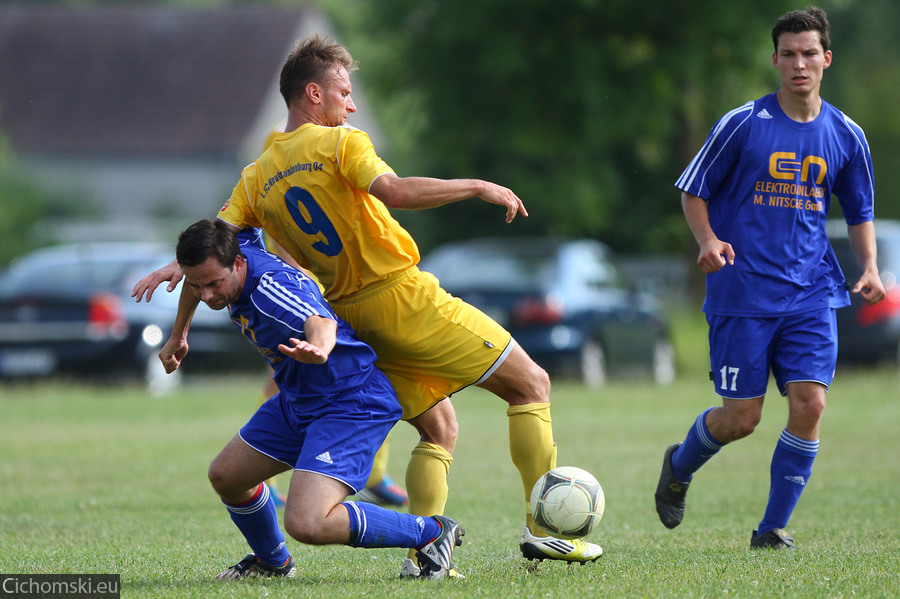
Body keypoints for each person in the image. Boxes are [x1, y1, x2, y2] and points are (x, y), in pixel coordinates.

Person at [132, 34, 602, 573]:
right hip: (401, 299)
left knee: (438, 428)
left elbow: (217, 242)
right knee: (532, 384)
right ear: (314, 94)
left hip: (349, 320)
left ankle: (422, 558)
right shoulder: (339, 143)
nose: (350, 105)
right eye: (343, 92)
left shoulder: (255, 176)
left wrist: (177, 295)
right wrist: (475, 186)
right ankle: (548, 533)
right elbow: (394, 191)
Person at [656, 6, 884, 549]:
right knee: (741, 419)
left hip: (811, 292)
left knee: (811, 404)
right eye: (789, 54)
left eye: (810, 53)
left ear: (827, 59)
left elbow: (859, 213)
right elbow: (693, 189)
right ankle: (679, 465)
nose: (799, 64)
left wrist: (872, 266)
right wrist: (709, 242)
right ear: (775, 60)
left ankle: (770, 530)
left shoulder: (847, 135)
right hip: (742, 293)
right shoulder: (742, 124)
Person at [172, 219, 463, 580]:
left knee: (307, 522)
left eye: (214, 284)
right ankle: (271, 562)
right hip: (300, 398)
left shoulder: (271, 293)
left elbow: (320, 321)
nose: (207, 296)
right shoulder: (232, 245)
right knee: (227, 476)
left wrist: (320, 348)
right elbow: (224, 237)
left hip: (350, 401)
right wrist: (178, 335)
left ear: (239, 264)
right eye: (197, 285)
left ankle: (432, 533)